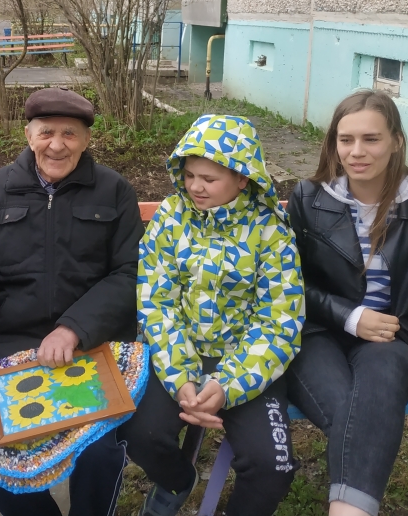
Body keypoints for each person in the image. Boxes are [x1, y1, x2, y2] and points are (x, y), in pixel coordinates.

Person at [0, 87, 144, 516]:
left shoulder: (114, 190)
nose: (57, 145)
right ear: (28, 135)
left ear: (86, 140)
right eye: (46, 132)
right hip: (13, 345)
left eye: (70, 134)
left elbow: (131, 272)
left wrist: (74, 328)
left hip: (93, 346)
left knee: (99, 451)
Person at [285, 90, 408, 516]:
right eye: (345, 139)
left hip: (393, 336)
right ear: (334, 143)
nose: (356, 151)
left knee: (371, 397)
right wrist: (350, 316)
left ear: (396, 141)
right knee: (360, 413)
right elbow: (288, 280)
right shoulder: (308, 198)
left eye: (371, 139)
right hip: (317, 331)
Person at [120, 114, 304, 516]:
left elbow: (280, 321)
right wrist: (181, 377)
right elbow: (156, 302)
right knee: (138, 433)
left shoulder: (271, 231)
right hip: (176, 352)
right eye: (189, 175)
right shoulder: (171, 218)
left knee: (273, 468)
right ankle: (177, 479)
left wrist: (228, 384)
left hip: (248, 360)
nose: (195, 187)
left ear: (242, 178)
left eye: (209, 178)